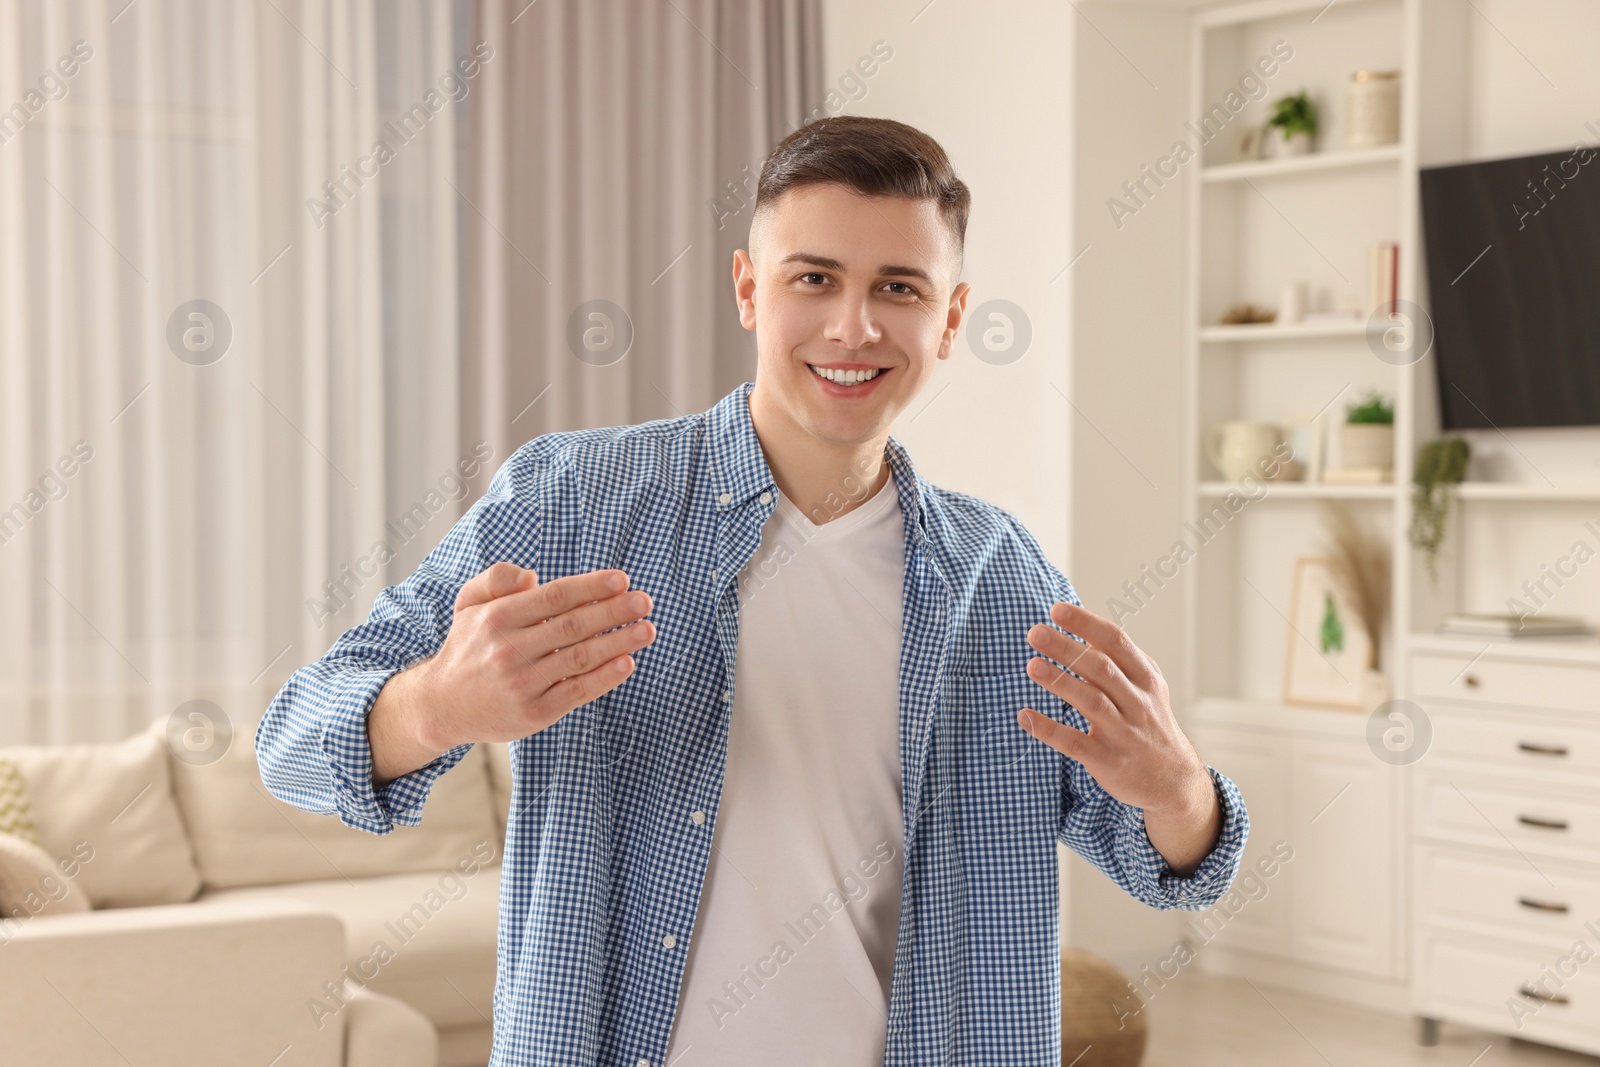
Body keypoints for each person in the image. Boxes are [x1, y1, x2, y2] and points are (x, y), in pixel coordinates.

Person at [257, 114, 1248, 1067]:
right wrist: (436, 703)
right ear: (748, 288)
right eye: (813, 277)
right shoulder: (568, 503)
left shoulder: (1004, 576)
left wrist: (1178, 787)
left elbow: (1168, 856)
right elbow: (293, 745)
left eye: (898, 287)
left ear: (949, 318)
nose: (853, 325)